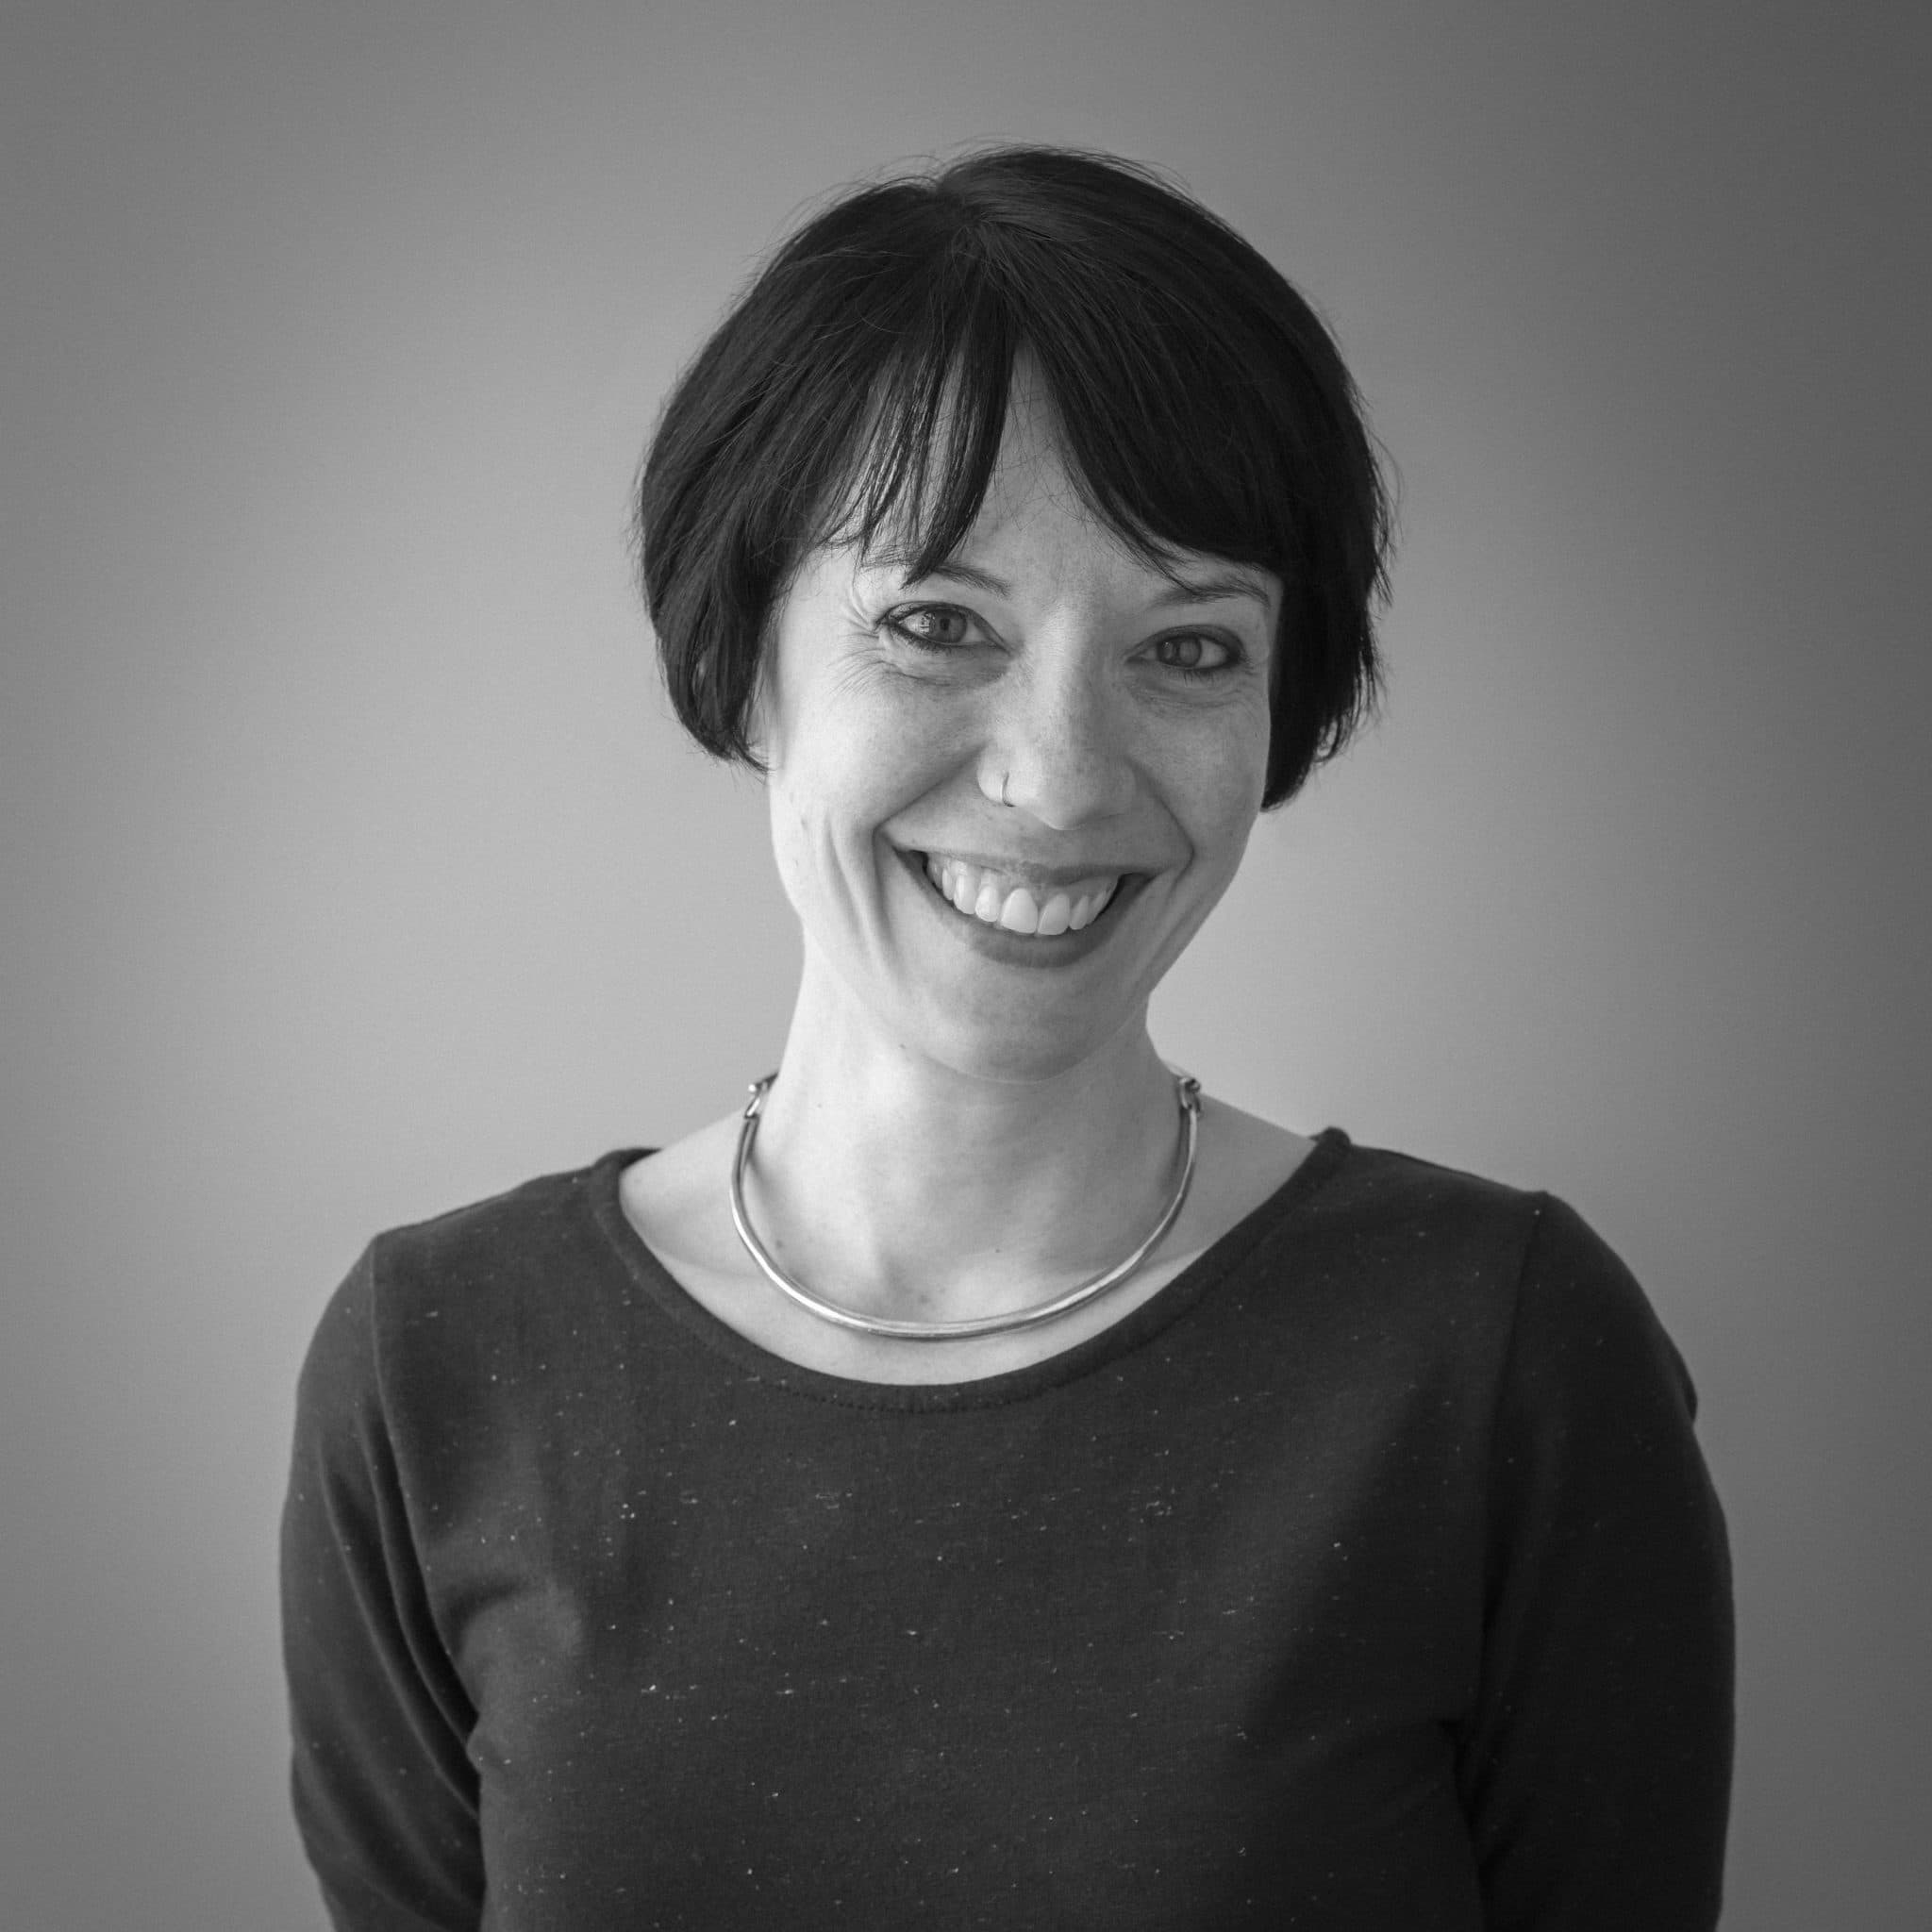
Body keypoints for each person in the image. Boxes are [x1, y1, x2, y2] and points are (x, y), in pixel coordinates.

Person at [280, 146, 1733, 1929]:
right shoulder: (435, 1373)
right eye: (938, 624)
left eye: (1189, 650)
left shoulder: (1505, 1360)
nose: (1058, 774)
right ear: (748, 658)